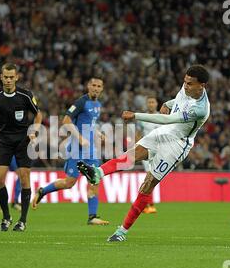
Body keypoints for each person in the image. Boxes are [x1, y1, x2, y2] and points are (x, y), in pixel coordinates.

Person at [77, 65, 210, 242]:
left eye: (190, 84)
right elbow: (178, 102)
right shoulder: (187, 88)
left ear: (201, 85)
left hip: (177, 145)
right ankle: (97, 173)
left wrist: (136, 116)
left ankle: (122, 231)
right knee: (130, 155)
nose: (185, 86)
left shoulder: (201, 108)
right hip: (165, 132)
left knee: (147, 184)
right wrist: (167, 103)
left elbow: (168, 119)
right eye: (184, 81)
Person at [31, 77, 109, 226]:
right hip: (76, 150)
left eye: (99, 86)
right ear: (88, 86)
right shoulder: (81, 102)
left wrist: (98, 133)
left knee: (95, 180)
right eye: (93, 85)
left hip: (91, 151)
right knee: (69, 183)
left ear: (102, 88)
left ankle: (92, 216)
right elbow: (66, 121)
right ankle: (42, 191)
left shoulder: (97, 104)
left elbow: (90, 123)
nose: (96, 88)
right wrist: (79, 138)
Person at [0, 63, 42, 232]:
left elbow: (38, 114)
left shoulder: (25, 95)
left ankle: (22, 220)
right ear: (1, 77)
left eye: (11, 77)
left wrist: (34, 130)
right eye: (5, 77)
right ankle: (6, 217)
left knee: (24, 179)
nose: (8, 80)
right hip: (5, 141)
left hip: (23, 141)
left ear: (16, 77)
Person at [136, 96, 160, 214]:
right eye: (149, 102)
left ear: (156, 104)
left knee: (152, 177)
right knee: (150, 177)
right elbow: (138, 134)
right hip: (146, 151)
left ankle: (146, 204)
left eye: (153, 102)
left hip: (158, 151)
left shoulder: (161, 118)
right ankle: (148, 205)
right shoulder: (143, 119)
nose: (151, 104)